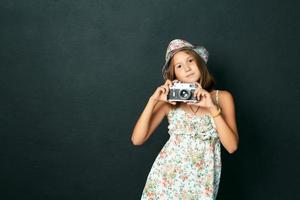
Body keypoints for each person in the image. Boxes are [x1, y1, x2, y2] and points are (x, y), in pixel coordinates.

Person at [131, 39, 239, 200]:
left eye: (190, 61)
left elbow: (231, 147)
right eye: (179, 66)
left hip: (201, 184)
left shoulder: (221, 98)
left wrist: (211, 107)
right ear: (174, 74)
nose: (187, 68)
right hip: (165, 179)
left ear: (200, 63)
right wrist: (153, 101)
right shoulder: (170, 102)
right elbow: (137, 139)